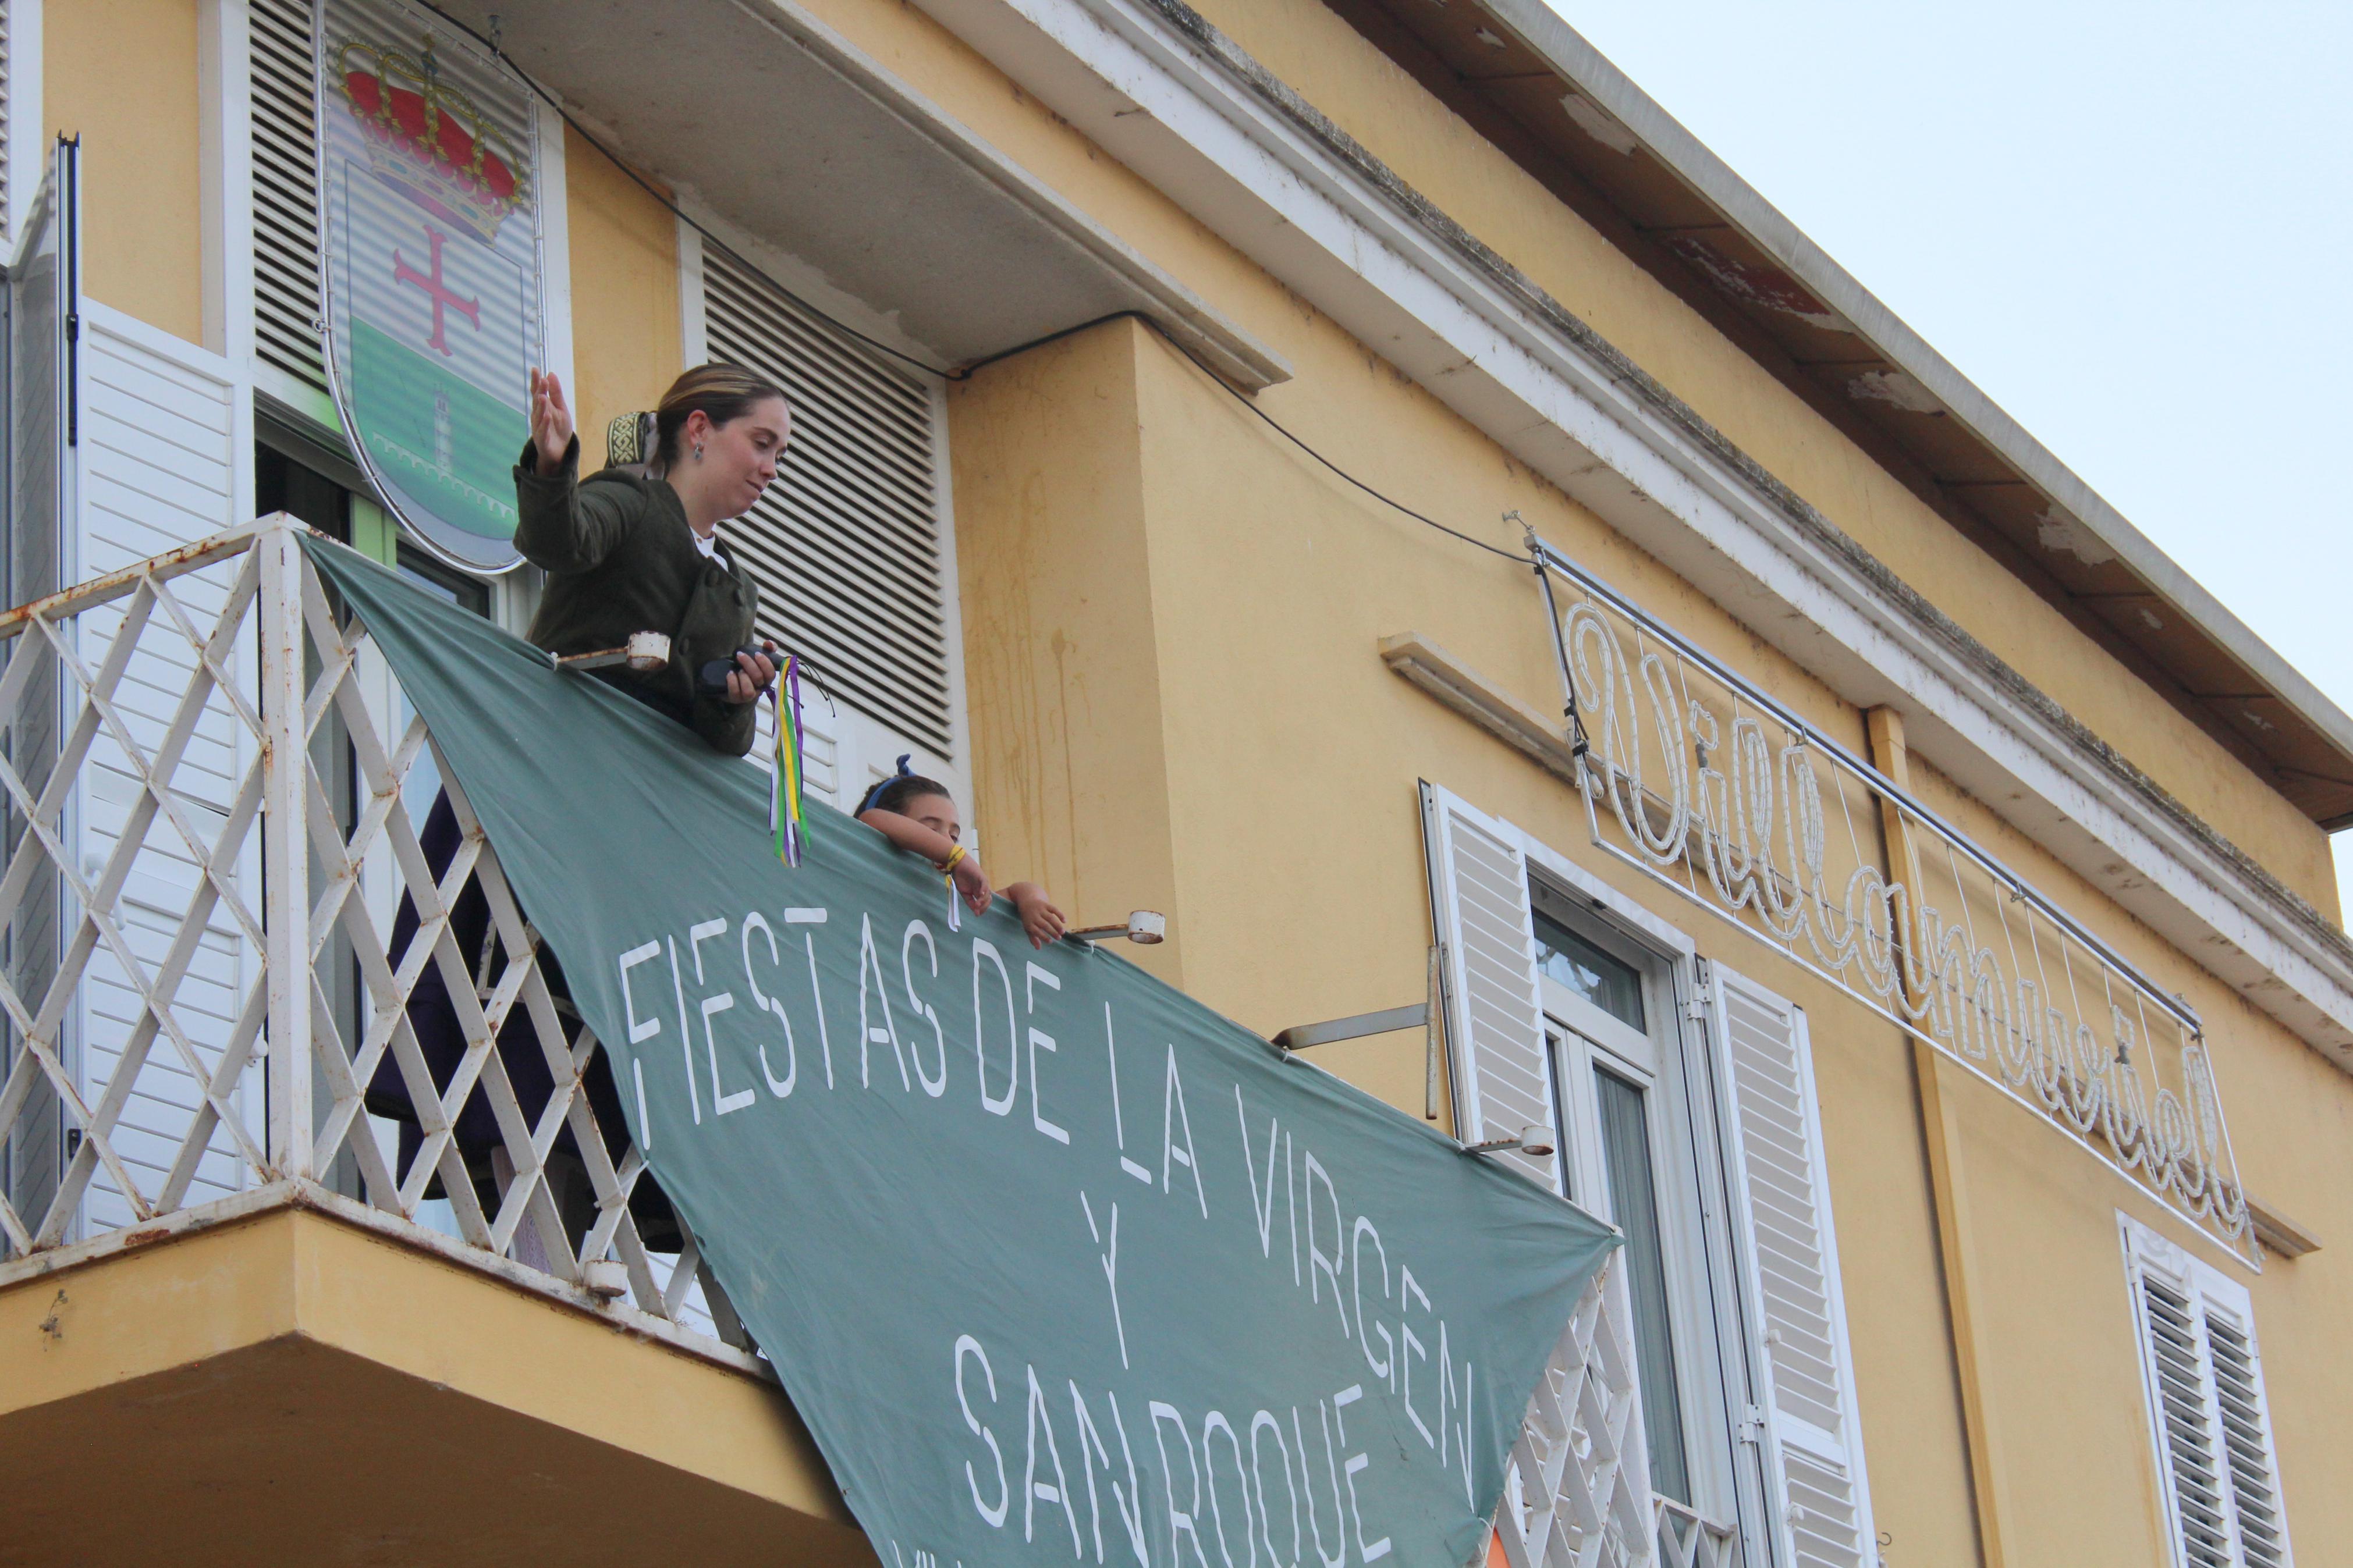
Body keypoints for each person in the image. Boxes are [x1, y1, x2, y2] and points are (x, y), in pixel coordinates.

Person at [516, 364, 787, 756]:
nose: (772, 470)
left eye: (779, 455)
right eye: (762, 443)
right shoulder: (631, 499)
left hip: (641, 796)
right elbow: (557, 544)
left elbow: (724, 743)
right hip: (548, 749)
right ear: (699, 429)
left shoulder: (739, 590)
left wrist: (734, 699)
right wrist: (553, 468)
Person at [857, 763, 1067, 949]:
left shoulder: (954, 901)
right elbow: (872, 819)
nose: (948, 843)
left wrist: (1033, 902)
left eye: (954, 837)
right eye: (931, 830)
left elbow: (1016, 892)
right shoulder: (866, 864)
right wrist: (959, 858)